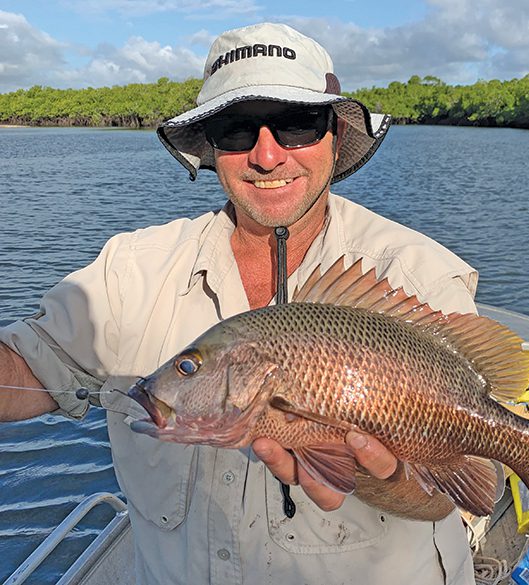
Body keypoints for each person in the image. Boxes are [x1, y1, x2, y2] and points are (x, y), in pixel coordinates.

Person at [0, 23, 479, 585]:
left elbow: (451, 496)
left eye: (297, 123)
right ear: (210, 145)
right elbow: (25, 367)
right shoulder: (131, 269)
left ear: (333, 133)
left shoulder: (415, 273)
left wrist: (379, 475)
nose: (267, 155)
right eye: (236, 129)